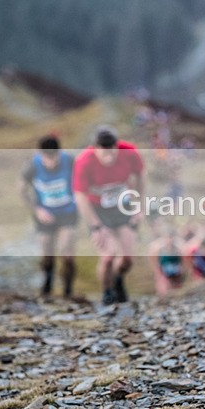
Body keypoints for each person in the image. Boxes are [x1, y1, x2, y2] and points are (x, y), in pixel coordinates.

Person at [73, 126, 145, 305]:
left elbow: (140, 176)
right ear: (95, 148)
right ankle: (107, 291)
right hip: (98, 209)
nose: (109, 158)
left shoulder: (129, 153)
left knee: (127, 259)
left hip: (123, 205)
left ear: (117, 146)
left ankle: (118, 280)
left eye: (112, 153)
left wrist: (139, 206)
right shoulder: (83, 161)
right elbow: (80, 196)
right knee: (108, 255)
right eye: (104, 154)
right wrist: (96, 226)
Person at [19, 134, 78, 299]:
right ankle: (47, 281)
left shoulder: (70, 161)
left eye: (54, 156)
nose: (51, 161)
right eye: (47, 157)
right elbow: (22, 189)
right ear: (40, 154)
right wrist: (36, 209)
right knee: (47, 253)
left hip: (68, 213)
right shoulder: (32, 165)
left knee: (67, 253)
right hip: (44, 214)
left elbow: (83, 181)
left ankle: (68, 290)